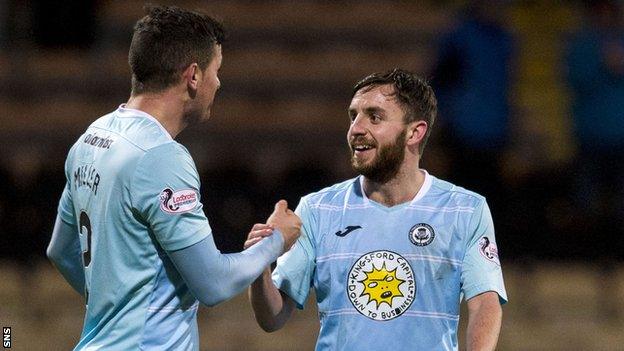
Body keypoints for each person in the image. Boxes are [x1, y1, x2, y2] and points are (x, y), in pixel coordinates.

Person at [46, 5, 301, 350]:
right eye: (217, 70)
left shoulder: (93, 136)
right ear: (193, 75)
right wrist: (276, 241)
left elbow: (61, 251)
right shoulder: (160, 156)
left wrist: (118, 310)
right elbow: (213, 284)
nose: (219, 82)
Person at [248, 69, 506, 350]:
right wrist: (260, 262)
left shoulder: (465, 210)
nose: (356, 129)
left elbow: (485, 305)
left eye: (374, 116)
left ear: (414, 132)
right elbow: (271, 317)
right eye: (353, 115)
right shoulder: (318, 208)